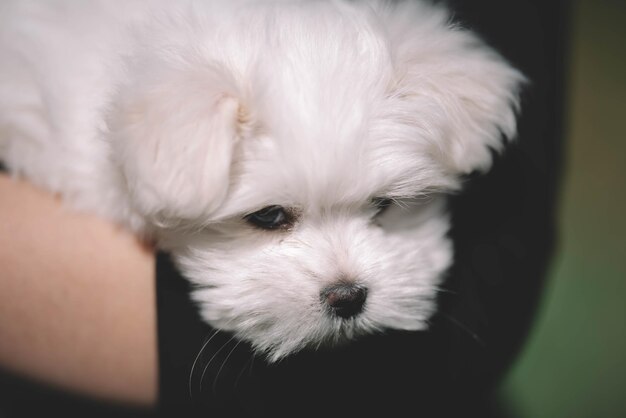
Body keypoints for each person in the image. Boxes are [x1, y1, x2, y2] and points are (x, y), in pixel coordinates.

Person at [0, 0, 569, 416]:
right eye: (272, 217)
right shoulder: (51, 89)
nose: (345, 280)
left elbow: (498, 287)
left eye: (382, 205)